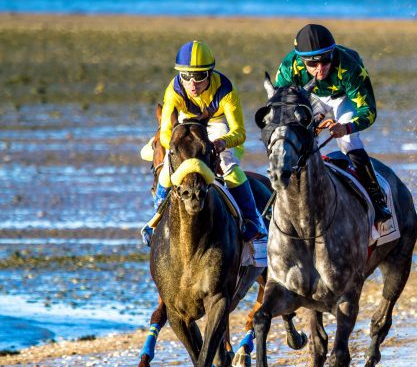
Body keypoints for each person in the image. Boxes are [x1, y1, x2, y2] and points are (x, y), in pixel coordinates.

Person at [140, 40, 267, 246]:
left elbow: (240, 132)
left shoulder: (226, 90)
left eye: (199, 77)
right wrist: (173, 146)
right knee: (166, 170)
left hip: (216, 125)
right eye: (186, 76)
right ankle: (156, 220)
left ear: (210, 73)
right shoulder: (173, 90)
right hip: (184, 124)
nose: (192, 84)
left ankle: (253, 219)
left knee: (228, 166)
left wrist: (222, 143)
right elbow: (165, 132)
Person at [273, 23, 391, 223]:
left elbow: (368, 111)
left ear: (332, 53)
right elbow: (281, 108)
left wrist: (345, 127)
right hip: (310, 98)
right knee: (293, 139)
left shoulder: (350, 66)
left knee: (348, 141)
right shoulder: (288, 68)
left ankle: (376, 196)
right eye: (312, 64)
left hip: (343, 98)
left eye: (326, 60)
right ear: (301, 61)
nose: (320, 69)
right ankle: (278, 196)